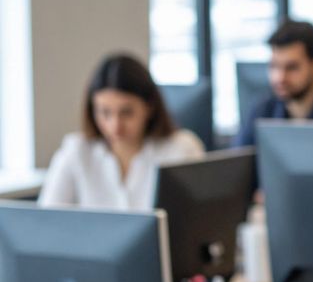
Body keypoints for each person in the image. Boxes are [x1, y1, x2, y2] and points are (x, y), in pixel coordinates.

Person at [39, 54, 204, 210]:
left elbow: (199, 219)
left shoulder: (182, 149)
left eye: (126, 112)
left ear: (149, 107)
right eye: (105, 112)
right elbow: (47, 218)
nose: (115, 126)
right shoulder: (76, 150)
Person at [233, 20, 313, 147]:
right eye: (274, 66)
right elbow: (237, 165)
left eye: (292, 67)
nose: (280, 77)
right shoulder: (262, 111)